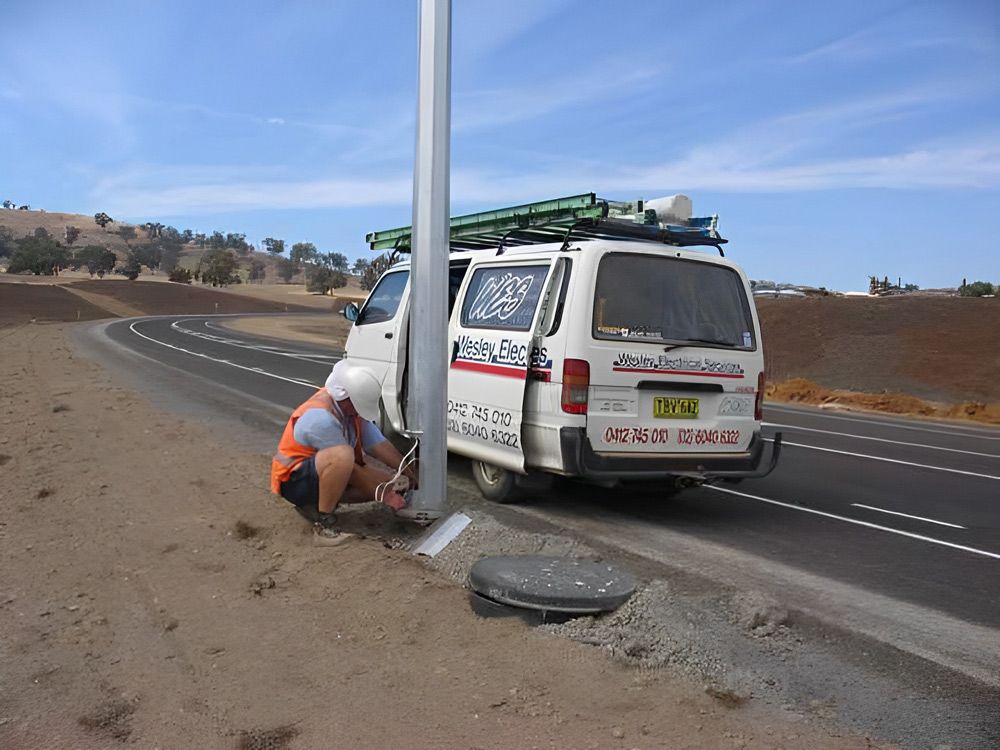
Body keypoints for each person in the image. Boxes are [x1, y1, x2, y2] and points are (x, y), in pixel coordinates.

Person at [270, 360, 417, 541]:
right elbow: (351, 467)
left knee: (393, 483)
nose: (359, 410)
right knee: (346, 459)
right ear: (345, 397)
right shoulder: (320, 418)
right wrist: (388, 497)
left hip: (320, 473)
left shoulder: (351, 411)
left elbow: (380, 447)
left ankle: (315, 505)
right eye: (357, 405)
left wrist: (410, 474)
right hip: (293, 481)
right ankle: (323, 524)